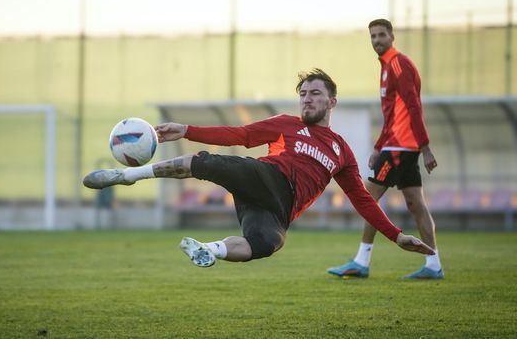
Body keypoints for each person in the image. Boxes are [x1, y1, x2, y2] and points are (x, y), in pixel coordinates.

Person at [83, 68, 435, 268]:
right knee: (207, 164)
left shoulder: (341, 150)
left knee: (265, 244)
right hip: (268, 175)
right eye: (303, 94)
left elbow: (362, 199)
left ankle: (212, 249)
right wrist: (188, 130)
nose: (307, 98)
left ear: (332, 101)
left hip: (280, 208)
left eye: (315, 93)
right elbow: (240, 133)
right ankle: (127, 176)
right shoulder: (286, 124)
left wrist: (396, 235)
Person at [327, 19, 443, 280]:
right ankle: (434, 265)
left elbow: (413, 106)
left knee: (369, 200)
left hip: (401, 148)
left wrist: (425, 147)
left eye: (381, 35)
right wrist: (379, 146)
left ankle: (361, 261)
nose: (376, 40)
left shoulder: (399, 64)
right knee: (416, 204)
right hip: (396, 146)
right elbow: (392, 115)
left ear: (392, 36)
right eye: (372, 36)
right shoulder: (387, 67)